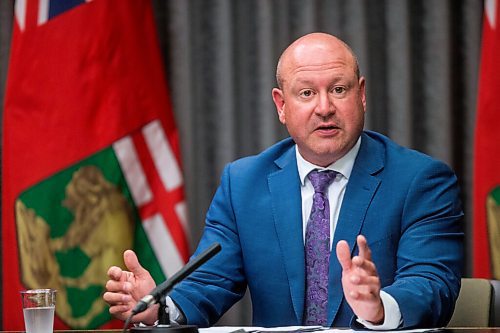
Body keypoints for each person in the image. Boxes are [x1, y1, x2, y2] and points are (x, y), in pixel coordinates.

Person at [103, 32, 463, 329]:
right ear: (281, 105)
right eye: (307, 93)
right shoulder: (244, 183)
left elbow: (433, 284)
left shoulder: (421, 180)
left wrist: (378, 306)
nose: (324, 107)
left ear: (362, 94)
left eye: (339, 89)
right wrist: (160, 308)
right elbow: (209, 282)